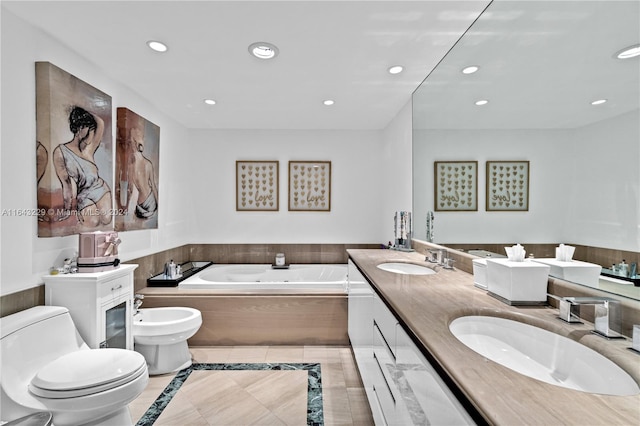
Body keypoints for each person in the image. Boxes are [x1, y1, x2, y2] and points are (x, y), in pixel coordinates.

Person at [52, 106, 112, 227]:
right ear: (80, 129)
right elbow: (66, 183)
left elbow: (100, 122)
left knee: (107, 220)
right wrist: (67, 209)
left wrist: (83, 114)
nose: (92, 133)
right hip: (83, 194)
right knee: (93, 222)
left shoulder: (89, 148)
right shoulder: (60, 152)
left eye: (92, 129)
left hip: (100, 188)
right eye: (89, 129)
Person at [128, 127, 158, 218]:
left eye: (131, 143)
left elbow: (153, 186)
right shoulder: (146, 164)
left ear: (136, 144)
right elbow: (153, 186)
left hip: (144, 203)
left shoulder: (134, 167)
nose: (130, 146)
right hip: (142, 204)